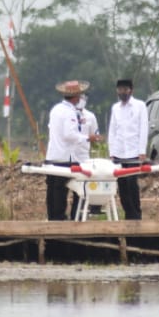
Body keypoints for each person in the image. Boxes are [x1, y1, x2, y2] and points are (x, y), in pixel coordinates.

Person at [45, 80, 88, 221]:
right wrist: (87, 138)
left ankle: (53, 218)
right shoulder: (70, 112)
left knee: (53, 191)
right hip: (64, 157)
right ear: (76, 97)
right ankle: (60, 219)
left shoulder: (55, 109)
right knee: (61, 191)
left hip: (52, 155)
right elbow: (69, 135)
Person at [106, 78, 149, 220]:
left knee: (131, 183)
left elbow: (144, 129)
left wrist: (142, 150)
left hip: (133, 151)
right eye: (119, 90)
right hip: (119, 152)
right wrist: (111, 152)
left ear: (131, 90)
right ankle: (128, 214)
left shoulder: (140, 106)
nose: (122, 93)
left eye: (125, 90)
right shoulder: (115, 108)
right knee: (122, 185)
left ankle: (136, 215)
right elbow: (112, 130)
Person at [68, 94, 101, 219]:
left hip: (83, 158)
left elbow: (96, 135)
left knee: (81, 190)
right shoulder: (67, 114)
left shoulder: (90, 116)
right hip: (68, 157)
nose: (81, 101)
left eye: (83, 98)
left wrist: (94, 138)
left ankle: (78, 216)